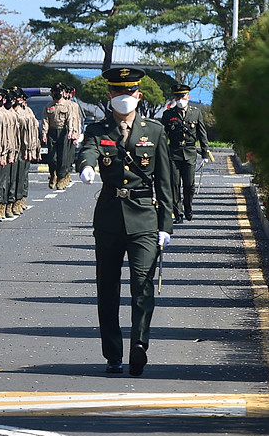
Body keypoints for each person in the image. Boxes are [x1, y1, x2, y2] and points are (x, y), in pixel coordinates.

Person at [76, 67, 173, 376]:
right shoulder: (98, 130)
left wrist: (165, 226)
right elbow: (88, 151)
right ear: (110, 96)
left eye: (129, 93)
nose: (124, 98)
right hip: (108, 218)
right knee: (107, 289)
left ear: (138, 95)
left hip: (144, 216)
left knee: (143, 286)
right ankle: (113, 354)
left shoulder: (154, 131)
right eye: (118, 93)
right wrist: (87, 167)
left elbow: (166, 182)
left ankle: (139, 346)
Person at [162, 84, 209, 223]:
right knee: (174, 184)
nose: (180, 99)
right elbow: (163, 136)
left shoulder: (196, 113)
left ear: (188, 97)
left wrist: (205, 154)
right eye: (177, 97)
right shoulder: (168, 114)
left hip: (189, 152)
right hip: (173, 153)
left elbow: (202, 134)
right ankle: (178, 213)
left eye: (182, 96)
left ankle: (188, 207)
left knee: (189, 185)